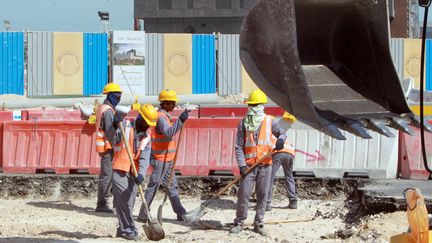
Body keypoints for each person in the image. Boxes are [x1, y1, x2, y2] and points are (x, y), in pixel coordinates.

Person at [230, 89, 287, 236]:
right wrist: (242, 165)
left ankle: (259, 224)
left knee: (262, 195)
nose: (254, 108)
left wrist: (281, 139)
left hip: (265, 164)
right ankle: (239, 222)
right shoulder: (243, 123)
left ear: (262, 106)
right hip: (248, 166)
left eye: (257, 105)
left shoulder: (269, 120)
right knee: (243, 195)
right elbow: (238, 146)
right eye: (252, 105)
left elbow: (282, 132)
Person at [138, 89, 191, 222]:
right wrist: (180, 120)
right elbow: (168, 132)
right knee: (154, 186)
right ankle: (143, 214)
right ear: (165, 103)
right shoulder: (161, 117)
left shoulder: (165, 115)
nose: (174, 105)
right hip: (160, 159)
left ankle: (180, 212)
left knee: (172, 186)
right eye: (172, 103)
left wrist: (180, 121)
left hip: (168, 158)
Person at [111, 104, 158, 241]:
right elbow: (111, 138)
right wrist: (114, 126)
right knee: (124, 201)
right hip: (120, 167)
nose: (147, 126)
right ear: (139, 117)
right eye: (145, 122)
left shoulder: (146, 138)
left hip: (134, 172)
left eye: (149, 124)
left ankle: (121, 229)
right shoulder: (124, 125)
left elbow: (144, 158)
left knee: (129, 202)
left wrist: (141, 174)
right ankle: (130, 230)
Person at [94, 83, 122, 213]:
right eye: (117, 96)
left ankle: (107, 201)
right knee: (107, 175)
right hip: (108, 147)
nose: (119, 98)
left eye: (119, 96)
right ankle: (102, 204)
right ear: (110, 96)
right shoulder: (108, 111)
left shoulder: (103, 108)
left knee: (108, 175)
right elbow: (110, 133)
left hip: (106, 146)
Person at [266, 111, 297, 211]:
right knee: (289, 176)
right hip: (290, 153)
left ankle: (267, 203)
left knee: (269, 178)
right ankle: (293, 201)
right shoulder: (279, 132)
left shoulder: (268, 132)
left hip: (278, 153)